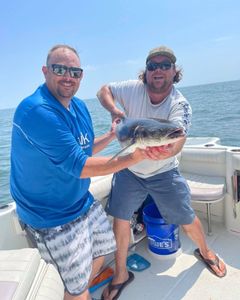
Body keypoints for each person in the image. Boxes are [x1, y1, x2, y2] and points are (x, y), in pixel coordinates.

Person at [10, 44, 155, 300]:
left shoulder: (78, 107)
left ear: (81, 76)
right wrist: (136, 155)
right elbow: (79, 166)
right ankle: (76, 293)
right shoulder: (37, 111)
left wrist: (111, 136)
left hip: (82, 203)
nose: (68, 77)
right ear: (45, 71)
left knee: (103, 250)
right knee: (76, 289)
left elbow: (84, 151)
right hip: (52, 217)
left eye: (75, 72)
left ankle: (78, 290)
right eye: (60, 69)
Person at [97, 45, 227, 300]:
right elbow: (104, 91)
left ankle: (206, 251)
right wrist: (115, 110)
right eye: (152, 66)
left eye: (164, 65)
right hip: (129, 167)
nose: (158, 70)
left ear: (174, 71)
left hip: (164, 170)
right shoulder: (132, 89)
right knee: (120, 220)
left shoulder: (180, 104)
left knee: (186, 217)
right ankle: (121, 274)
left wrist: (166, 152)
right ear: (145, 72)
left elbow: (178, 137)